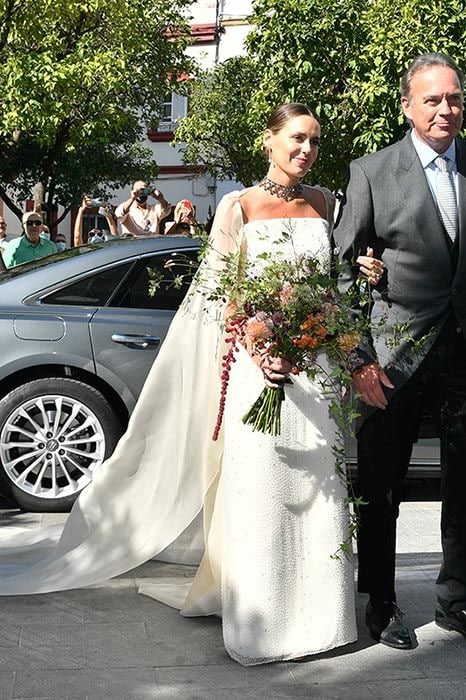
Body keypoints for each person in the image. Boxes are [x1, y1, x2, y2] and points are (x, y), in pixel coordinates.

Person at [0, 103, 387, 665]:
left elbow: (335, 287)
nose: (307, 149)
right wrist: (262, 347)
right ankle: (264, 622)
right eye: (297, 138)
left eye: (316, 142)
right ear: (269, 140)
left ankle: (323, 619)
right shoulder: (237, 206)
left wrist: (356, 300)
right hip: (262, 372)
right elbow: (227, 296)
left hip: (316, 373)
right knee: (263, 488)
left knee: (319, 490)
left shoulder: (328, 205)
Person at [334, 53, 466, 651]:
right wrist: (358, 359)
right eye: (432, 100)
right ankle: (382, 603)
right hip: (391, 358)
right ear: (407, 106)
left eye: (453, 99)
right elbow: (341, 270)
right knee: (382, 485)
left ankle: (457, 603)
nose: (445, 109)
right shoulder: (371, 172)